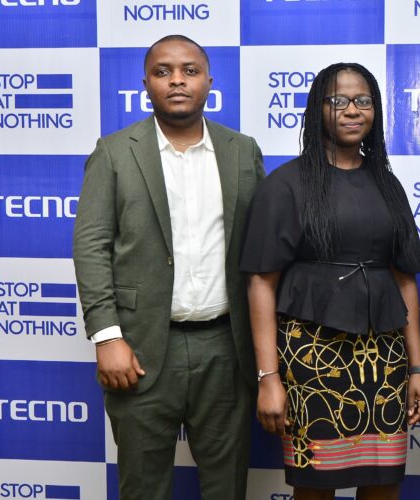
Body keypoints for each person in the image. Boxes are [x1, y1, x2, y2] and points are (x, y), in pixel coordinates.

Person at [72, 34, 264, 500]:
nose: (177, 80)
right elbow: (91, 244)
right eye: (163, 71)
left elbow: (261, 254)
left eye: (189, 70)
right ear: (146, 84)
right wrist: (107, 336)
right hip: (138, 349)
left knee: (227, 486)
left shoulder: (242, 150)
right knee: (144, 486)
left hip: (227, 348)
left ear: (208, 82)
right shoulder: (116, 151)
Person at [241, 62, 420, 500]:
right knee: (316, 486)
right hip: (311, 360)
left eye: (363, 101)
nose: (352, 110)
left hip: (384, 361)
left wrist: (416, 368)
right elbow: (261, 285)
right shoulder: (286, 185)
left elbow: (404, 282)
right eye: (338, 100)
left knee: (384, 483)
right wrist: (269, 377)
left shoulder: (388, 184)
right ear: (317, 109)